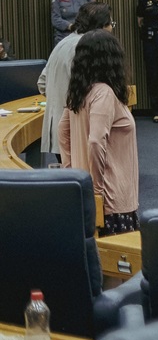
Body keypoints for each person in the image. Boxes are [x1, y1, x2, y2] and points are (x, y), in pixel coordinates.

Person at [59, 29, 139, 236]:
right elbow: (96, 141)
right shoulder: (103, 93)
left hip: (88, 190)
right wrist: (97, 190)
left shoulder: (80, 91)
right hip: (111, 199)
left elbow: (62, 132)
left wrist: (72, 172)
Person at [37, 2, 113, 167]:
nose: (112, 30)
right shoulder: (86, 47)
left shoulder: (64, 42)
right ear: (100, 26)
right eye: (110, 24)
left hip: (59, 130)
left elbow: (42, 83)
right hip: (77, 131)